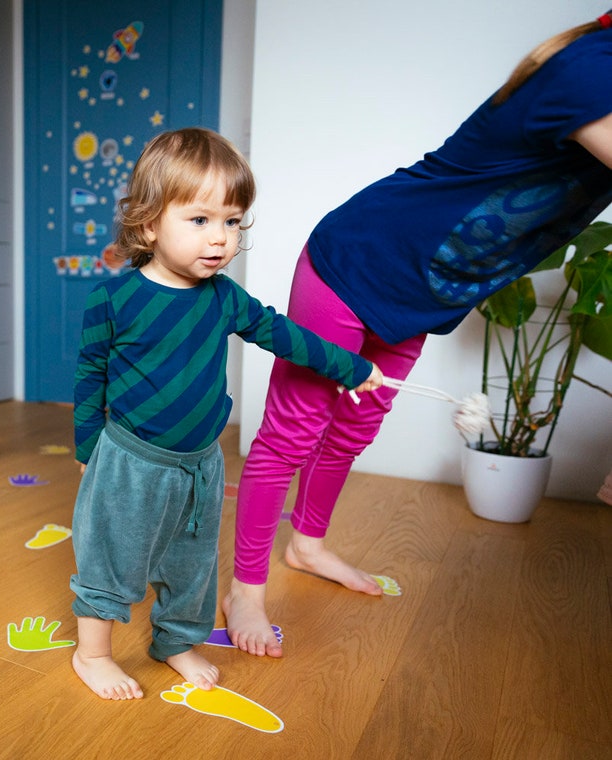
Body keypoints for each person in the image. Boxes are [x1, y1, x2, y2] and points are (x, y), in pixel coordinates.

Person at [224, 11, 612, 659]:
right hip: (360, 256)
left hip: (424, 286)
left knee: (356, 424)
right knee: (295, 428)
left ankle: (309, 545)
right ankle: (245, 590)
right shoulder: (591, 68)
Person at [69, 127, 384, 700]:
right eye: (200, 221)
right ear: (148, 224)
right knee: (113, 557)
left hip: (200, 463)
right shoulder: (112, 301)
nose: (220, 239)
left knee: (192, 564)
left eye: (232, 222)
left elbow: (283, 334)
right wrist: (88, 450)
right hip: (131, 461)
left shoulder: (225, 298)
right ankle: (92, 655)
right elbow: (90, 377)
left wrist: (351, 367)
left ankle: (176, 641)